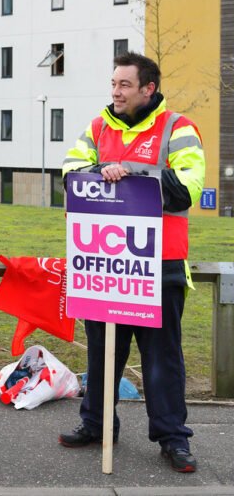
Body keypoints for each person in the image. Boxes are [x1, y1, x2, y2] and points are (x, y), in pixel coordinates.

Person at [59, 51, 205, 473]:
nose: (115, 91)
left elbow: (188, 186)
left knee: (163, 362)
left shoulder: (178, 128)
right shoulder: (98, 127)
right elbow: (70, 172)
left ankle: (173, 440)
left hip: (158, 267)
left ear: (148, 89)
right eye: (114, 83)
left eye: (124, 84)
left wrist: (132, 173)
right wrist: (101, 167)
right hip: (104, 266)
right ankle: (97, 425)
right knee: (103, 357)